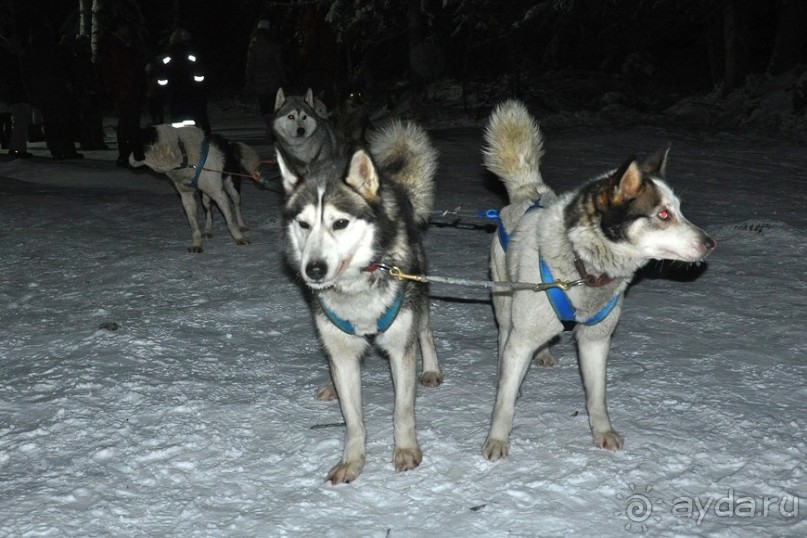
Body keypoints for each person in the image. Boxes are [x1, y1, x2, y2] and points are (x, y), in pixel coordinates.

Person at [20, 24, 83, 159]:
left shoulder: (29, 52)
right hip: (56, 90)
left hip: (42, 91)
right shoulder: (51, 50)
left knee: (50, 121)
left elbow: (25, 75)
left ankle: (56, 149)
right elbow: (61, 69)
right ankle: (66, 148)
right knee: (62, 120)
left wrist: (31, 92)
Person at [100, 24, 145, 167]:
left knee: (129, 123)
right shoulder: (115, 46)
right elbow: (119, 70)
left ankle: (130, 154)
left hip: (126, 89)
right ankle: (128, 155)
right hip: (125, 90)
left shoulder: (118, 45)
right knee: (128, 123)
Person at [154, 28, 210, 133]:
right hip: (190, 91)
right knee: (191, 116)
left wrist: (163, 90)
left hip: (175, 92)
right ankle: (192, 135)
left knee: (178, 117)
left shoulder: (168, 54)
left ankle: (182, 136)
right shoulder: (191, 54)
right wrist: (200, 87)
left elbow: (162, 74)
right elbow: (199, 71)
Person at [244, 19, 286, 136]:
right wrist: (283, 77)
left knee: (264, 105)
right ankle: (274, 127)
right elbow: (279, 63)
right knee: (274, 104)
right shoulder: (273, 45)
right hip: (273, 79)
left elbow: (250, 64)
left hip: (259, 80)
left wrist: (249, 78)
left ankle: (269, 126)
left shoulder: (253, 45)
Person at [0, 35, 32, 158]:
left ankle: (16, 147)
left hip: (9, 94)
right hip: (14, 93)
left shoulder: (8, 57)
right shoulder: (9, 57)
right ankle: (17, 148)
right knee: (20, 120)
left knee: (15, 121)